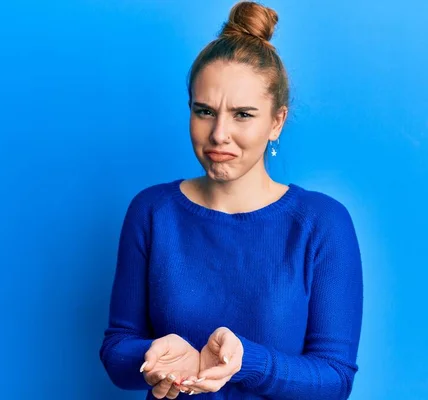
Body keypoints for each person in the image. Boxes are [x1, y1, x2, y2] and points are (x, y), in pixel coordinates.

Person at [99, 1, 363, 399]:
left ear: (277, 121)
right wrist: (152, 354)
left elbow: (335, 379)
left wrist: (247, 362)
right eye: (204, 111)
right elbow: (118, 350)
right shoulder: (153, 212)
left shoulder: (322, 223)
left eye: (242, 115)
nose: (219, 133)